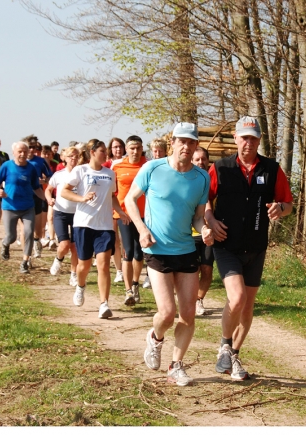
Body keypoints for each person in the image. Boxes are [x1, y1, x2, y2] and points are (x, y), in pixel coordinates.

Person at [205, 116, 293, 381]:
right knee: (238, 297)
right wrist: (210, 220)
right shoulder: (220, 167)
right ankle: (224, 345)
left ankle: (233, 353)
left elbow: (288, 203)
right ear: (236, 138)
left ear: (259, 140)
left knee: (247, 305)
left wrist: (281, 209)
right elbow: (204, 200)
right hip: (226, 244)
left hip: (256, 245)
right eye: (244, 137)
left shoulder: (272, 168)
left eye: (253, 138)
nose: (249, 142)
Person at [125, 122, 212, 386]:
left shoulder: (201, 178)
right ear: (172, 142)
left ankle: (176, 365)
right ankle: (155, 337)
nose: (186, 146)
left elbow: (197, 218)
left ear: (196, 145)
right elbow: (130, 200)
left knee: (188, 314)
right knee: (166, 312)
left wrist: (205, 229)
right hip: (156, 248)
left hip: (185, 249)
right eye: (181, 141)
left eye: (191, 142)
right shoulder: (152, 168)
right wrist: (141, 229)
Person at [61, 139, 130, 320]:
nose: (105, 155)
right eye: (101, 151)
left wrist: (121, 212)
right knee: (83, 265)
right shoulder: (81, 170)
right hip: (84, 223)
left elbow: (112, 196)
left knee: (104, 265)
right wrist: (82, 198)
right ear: (92, 152)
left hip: (105, 225)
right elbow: (64, 192)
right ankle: (81, 286)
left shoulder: (110, 173)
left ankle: (104, 304)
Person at [0, 141, 45, 273]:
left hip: (28, 206)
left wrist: (47, 199)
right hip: (10, 205)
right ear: (14, 152)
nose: (22, 154)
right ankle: (5, 244)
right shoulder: (7, 166)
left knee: (28, 233)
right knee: (11, 237)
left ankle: (25, 262)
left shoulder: (31, 168)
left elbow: (36, 187)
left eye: (25, 151)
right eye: (19, 151)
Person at [112, 135, 147, 306]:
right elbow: (113, 194)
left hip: (143, 215)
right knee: (128, 251)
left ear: (142, 149)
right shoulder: (117, 167)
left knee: (139, 253)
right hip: (124, 215)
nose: (135, 151)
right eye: (132, 148)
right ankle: (127, 291)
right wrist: (118, 210)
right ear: (126, 149)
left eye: (138, 148)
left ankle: (135, 284)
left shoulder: (148, 166)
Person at [46, 146, 80, 286]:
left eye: (76, 156)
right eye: (71, 156)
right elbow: (48, 190)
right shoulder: (59, 175)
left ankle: (73, 275)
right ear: (64, 158)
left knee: (75, 247)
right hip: (60, 212)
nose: (74, 158)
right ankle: (58, 259)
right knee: (64, 245)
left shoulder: (82, 173)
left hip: (78, 214)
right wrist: (49, 199)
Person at [142, 138, 170, 290]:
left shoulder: (170, 166)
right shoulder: (148, 167)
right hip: (152, 213)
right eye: (155, 151)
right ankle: (149, 274)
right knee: (152, 244)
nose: (158, 153)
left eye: (160, 150)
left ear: (166, 151)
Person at [191, 146, 215, 316]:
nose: (201, 162)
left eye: (203, 159)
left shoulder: (213, 179)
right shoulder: (185, 179)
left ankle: (198, 300)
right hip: (188, 234)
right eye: (197, 159)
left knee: (207, 270)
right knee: (192, 271)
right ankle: (189, 299)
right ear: (192, 161)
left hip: (208, 232)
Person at [24, 135, 53, 258]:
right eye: (29, 147)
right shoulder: (17, 161)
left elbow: (51, 177)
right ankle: (26, 257)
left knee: (38, 228)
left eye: (34, 147)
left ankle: (36, 242)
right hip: (22, 197)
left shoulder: (40, 161)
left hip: (37, 196)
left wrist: (44, 180)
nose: (32, 150)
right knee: (25, 229)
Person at [106, 137, 126, 283]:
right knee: (114, 240)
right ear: (110, 149)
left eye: (120, 147)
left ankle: (126, 267)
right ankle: (119, 270)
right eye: (115, 147)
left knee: (126, 241)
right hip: (109, 204)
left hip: (124, 206)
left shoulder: (127, 163)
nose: (118, 150)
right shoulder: (107, 165)